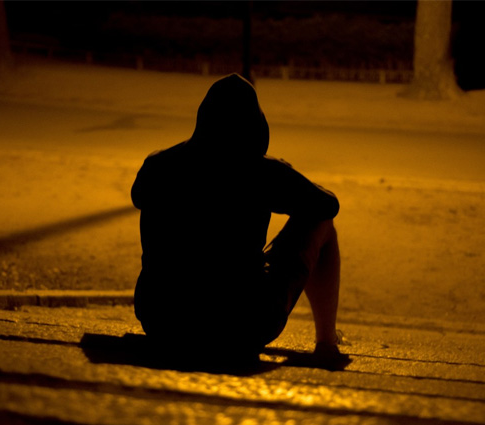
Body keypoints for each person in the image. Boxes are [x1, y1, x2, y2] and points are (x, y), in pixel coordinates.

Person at [131, 73, 347, 369]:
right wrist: (280, 176)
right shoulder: (262, 171)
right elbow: (328, 205)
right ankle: (327, 342)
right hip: (244, 324)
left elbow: (139, 196)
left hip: (161, 319)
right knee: (323, 225)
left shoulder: (157, 165)